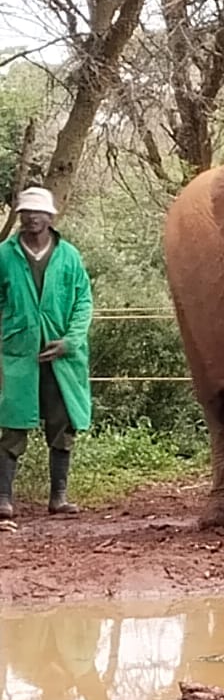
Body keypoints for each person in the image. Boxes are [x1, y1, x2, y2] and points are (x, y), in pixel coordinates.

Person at [0, 187, 94, 519]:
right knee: (12, 422)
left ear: (51, 217)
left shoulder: (69, 256)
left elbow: (84, 302)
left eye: (38, 212)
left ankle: (59, 497)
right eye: (26, 212)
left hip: (62, 357)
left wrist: (70, 341)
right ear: (19, 216)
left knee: (62, 423)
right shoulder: (4, 255)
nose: (32, 218)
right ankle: (3, 499)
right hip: (17, 354)